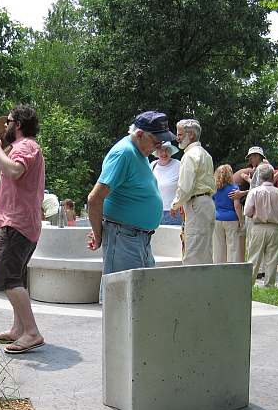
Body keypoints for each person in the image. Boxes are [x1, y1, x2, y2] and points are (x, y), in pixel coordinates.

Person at [0, 105, 46, 354]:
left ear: (18, 124)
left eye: (8, 121)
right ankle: (18, 328)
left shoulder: (24, 147)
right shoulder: (25, 147)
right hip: (21, 221)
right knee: (16, 277)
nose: (4, 126)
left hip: (17, 223)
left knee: (9, 278)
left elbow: (14, 170)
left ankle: (31, 332)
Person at [87, 111, 172, 282]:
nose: (159, 147)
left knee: (141, 297)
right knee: (122, 299)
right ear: (140, 134)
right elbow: (94, 199)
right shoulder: (124, 154)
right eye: (156, 142)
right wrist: (98, 234)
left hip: (138, 237)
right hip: (124, 237)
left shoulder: (139, 153)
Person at [170, 118, 215, 264]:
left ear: (191, 135)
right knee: (205, 250)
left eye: (181, 134)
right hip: (206, 203)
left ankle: (193, 285)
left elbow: (185, 187)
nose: (178, 138)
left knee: (193, 252)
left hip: (196, 204)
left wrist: (175, 204)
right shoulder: (205, 154)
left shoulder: (190, 155)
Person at [244, 164, 278, 287]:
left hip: (258, 227)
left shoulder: (254, 192)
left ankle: (249, 285)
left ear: (260, 177)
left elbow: (247, 212)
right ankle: (269, 285)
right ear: (272, 176)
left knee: (254, 257)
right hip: (275, 228)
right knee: (272, 258)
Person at [230, 146, 266, 270]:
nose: (250, 159)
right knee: (255, 239)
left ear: (257, 156)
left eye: (251, 157)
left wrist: (242, 192)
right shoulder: (260, 169)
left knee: (253, 239)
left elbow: (258, 188)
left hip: (255, 208)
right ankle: (259, 268)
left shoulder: (261, 169)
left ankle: (257, 269)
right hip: (257, 207)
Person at [212, 164, 243, 263]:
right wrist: (241, 220)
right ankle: (231, 268)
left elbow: (213, 204)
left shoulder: (214, 189)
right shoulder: (234, 188)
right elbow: (237, 206)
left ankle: (218, 267)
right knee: (232, 246)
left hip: (217, 218)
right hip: (231, 219)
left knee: (218, 246)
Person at [150, 140, 181, 226]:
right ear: (156, 152)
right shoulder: (153, 165)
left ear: (171, 151)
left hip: (173, 212)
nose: (164, 153)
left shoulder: (178, 165)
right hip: (154, 212)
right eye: (161, 150)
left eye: (167, 150)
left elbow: (185, 187)